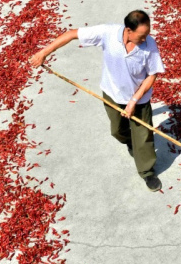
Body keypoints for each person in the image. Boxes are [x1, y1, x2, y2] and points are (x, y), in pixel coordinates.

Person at [29, 10, 166, 191]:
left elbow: (152, 75)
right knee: (118, 131)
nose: (146, 38)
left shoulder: (149, 45)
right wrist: (44, 52)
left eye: (147, 34)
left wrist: (133, 101)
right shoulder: (108, 33)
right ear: (128, 31)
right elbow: (72, 34)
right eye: (141, 35)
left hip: (138, 99)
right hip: (112, 94)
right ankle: (130, 143)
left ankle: (147, 171)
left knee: (143, 137)